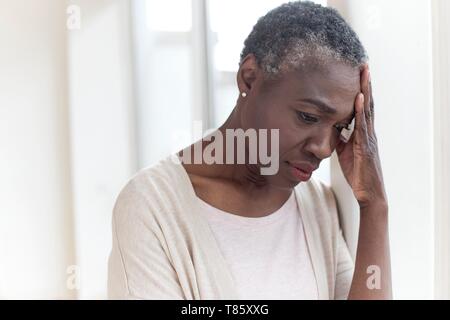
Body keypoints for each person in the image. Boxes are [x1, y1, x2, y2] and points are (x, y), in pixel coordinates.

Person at [108, 1, 391, 300]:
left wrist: (374, 206)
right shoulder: (151, 208)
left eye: (340, 127)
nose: (323, 148)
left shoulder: (318, 206)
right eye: (308, 116)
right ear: (250, 78)